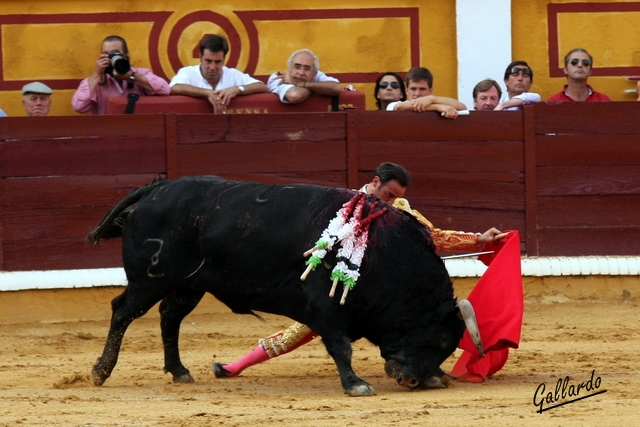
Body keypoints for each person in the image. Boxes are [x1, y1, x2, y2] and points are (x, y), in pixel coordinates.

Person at [213, 162, 505, 379]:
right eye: (388, 194)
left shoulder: (401, 208)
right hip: (345, 281)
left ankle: (424, 364)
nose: (390, 202)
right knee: (309, 326)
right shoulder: (343, 205)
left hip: (386, 291)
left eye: (396, 197)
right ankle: (238, 365)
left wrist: (478, 239)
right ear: (375, 182)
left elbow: (433, 237)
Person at [72, 35, 170, 115]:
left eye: (116, 53)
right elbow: (79, 107)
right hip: (108, 135)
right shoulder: (95, 80)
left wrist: (132, 77)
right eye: (106, 54)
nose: (111, 58)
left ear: (127, 56)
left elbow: (165, 89)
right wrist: (97, 74)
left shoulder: (141, 73)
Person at [170, 34, 267, 114]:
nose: (212, 67)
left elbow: (262, 86)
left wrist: (237, 89)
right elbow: (174, 87)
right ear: (200, 57)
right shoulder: (188, 72)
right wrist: (207, 93)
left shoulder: (232, 74)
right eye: (208, 61)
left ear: (224, 60)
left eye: (218, 62)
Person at [387, 67, 467, 119]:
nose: (417, 93)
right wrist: (437, 107)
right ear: (406, 90)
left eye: (422, 89)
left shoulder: (431, 99)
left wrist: (432, 99)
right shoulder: (393, 105)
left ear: (430, 91)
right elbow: (400, 107)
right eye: (413, 89)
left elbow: (462, 107)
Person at [267, 49, 342, 104]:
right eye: (297, 67)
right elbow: (294, 96)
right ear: (290, 69)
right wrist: (316, 87)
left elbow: (337, 88)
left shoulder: (317, 75)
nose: (301, 73)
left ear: (314, 74)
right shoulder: (278, 77)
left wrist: (301, 84)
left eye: (307, 69)